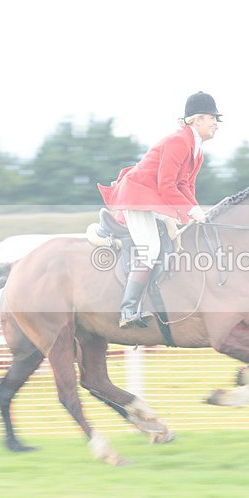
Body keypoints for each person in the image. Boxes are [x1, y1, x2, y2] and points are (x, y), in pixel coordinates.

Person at [97, 91, 222, 328]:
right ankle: (127, 310)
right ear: (197, 119)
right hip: (138, 195)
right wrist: (190, 211)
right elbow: (166, 185)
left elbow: (185, 185)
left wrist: (193, 211)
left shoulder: (196, 149)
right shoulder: (178, 142)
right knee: (151, 249)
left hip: (152, 197)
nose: (216, 123)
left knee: (171, 239)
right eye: (212, 117)